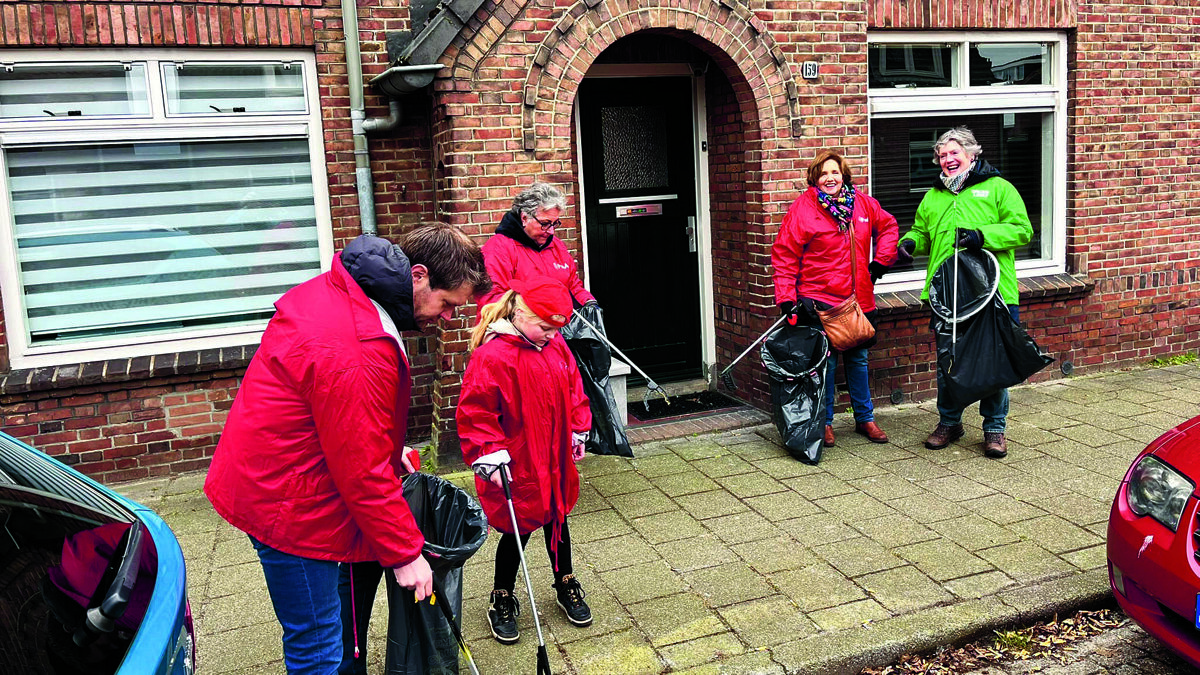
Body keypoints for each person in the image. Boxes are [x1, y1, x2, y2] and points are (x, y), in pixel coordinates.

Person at [204, 224, 491, 675]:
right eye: (448, 303)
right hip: (288, 504)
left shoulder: (345, 291)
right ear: (418, 276)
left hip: (273, 470)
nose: (450, 317)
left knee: (327, 630)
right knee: (317, 645)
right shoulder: (358, 345)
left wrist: (380, 443)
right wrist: (405, 555)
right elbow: (362, 474)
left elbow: (332, 413)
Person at [457, 276, 593, 645]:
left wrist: (577, 428)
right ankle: (502, 594)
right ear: (519, 314)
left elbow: (573, 388)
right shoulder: (492, 356)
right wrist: (489, 451)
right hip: (519, 459)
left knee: (558, 516)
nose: (550, 335)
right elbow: (476, 412)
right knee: (519, 527)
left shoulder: (555, 345)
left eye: (555, 329)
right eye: (544, 327)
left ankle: (565, 579)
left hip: (554, 454)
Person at [895, 126, 1033, 459]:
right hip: (948, 296)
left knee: (993, 363)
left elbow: (1022, 230)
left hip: (992, 293)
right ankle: (950, 422)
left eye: (954, 153)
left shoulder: (998, 188)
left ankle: (995, 429)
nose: (948, 159)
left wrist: (981, 235)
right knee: (948, 363)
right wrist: (909, 243)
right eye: (942, 155)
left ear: (972, 154)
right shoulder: (933, 196)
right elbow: (921, 232)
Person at [772, 150, 899, 448]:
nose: (830, 178)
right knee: (825, 365)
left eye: (835, 173)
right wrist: (787, 298)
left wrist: (881, 260)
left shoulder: (864, 204)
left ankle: (865, 419)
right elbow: (785, 255)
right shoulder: (803, 209)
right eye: (824, 173)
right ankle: (825, 422)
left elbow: (890, 226)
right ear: (815, 178)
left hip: (858, 300)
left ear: (844, 176)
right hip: (820, 300)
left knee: (859, 360)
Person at [477, 182, 596, 311]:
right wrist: (538, 314)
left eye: (555, 223)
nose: (551, 231)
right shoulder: (498, 249)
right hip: (513, 329)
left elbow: (572, 287)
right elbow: (491, 300)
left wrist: (588, 303)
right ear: (524, 217)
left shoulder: (557, 246)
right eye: (545, 223)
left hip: (556, 328)